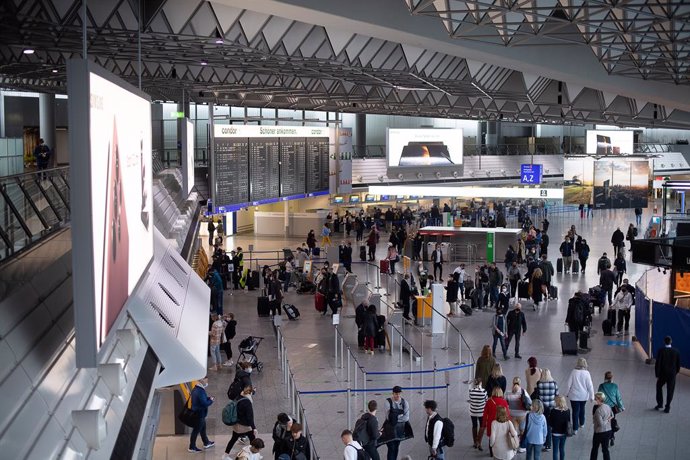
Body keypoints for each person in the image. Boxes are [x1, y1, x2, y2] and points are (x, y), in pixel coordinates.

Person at [222, 385, 257, 457]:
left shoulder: (238, 397)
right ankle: (253, 454)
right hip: (245, 425)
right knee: (252, 438)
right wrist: (254, 428)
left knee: (233, 439)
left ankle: (225, 454)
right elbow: (250, 417)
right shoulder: (247, 402)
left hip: (236, 424)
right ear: (250, 393)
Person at [564, 357, 595, 433]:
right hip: (583, 396)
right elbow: (590, 386)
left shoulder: (573, 372)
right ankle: (582, 423)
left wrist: (566, 393)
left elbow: (568, 384)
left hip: (574, 396)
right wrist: (592, 396)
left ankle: (575, 429)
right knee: (582, 409)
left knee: (575, 411)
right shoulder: (587, 373)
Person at [655, 335, 681, 413]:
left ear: (664, 342)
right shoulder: (676, 351)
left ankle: (660, 404)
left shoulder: (661, 351)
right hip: (672, 375)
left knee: (659, 387)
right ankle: (668, 406)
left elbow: (658, 364)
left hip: (663, 374)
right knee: (670, 390)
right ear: (671, 341)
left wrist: (657, 374)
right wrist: (675, 373)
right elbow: (678, 365)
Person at [597, 371, 624, 446]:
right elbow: (618, 397)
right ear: (612, 378)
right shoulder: (615, 386)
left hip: (603, 407)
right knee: (612, 421)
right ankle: (612, 437)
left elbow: (599, 396)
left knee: (604, 422)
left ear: (605, 377)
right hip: (612, 408)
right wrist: (621, 406)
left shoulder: (601, 386)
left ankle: (604, 437)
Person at [482, 387, 511, 458]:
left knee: (491, 437)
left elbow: (485, 414)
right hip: (501, 421)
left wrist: (483, 424)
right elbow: (507, 413)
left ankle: (492, 453)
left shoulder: (489, 401)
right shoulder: (504, 401)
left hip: (491, 423)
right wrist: (509, 421)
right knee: (500, 436)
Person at [383, 386, 410, 460]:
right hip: (389, 430)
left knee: (396, 447)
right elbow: (389, 417)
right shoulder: (387, 402)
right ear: (393, 393)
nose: (398, 395)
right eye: (396, 394)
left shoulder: (405, 403)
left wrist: (395, 417)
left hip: (399, 430)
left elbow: (406, 418)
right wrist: (400, 415)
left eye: (399, 394)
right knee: (391, 448)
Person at [189, 377, 215, 453]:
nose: (207, 381)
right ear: (201, 380)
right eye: (206, 380)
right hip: (199, 414)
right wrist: (211, 400)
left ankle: (206, 442)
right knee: (196, 431)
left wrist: (208, 398)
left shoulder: (197, 389)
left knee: (203, 429)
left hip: (200, 414)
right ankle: (192, 447)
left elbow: (201, 399)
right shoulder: (200, 391)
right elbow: (204, 403)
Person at [505, 376, 530, 451]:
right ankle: (522, 447)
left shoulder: (508, 392)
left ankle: (514, 446)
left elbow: (506, 403)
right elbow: (530, 402)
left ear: (513, 383)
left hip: (512, 414)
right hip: (522, 414)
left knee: (514, 431)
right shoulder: (523, 391)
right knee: (522, 430)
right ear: (520, 383)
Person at [590, 393, 613, 460]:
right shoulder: (608, 406)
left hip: (599, 432)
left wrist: (607, 420)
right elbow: (612, 415)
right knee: (605, 449)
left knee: (595, 448)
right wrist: (609, 419)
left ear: (599, 400)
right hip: (608, 430)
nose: (594, 400)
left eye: (595, 399)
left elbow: (601, 424)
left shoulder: (598, 411)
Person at [549, 396, 570, 460]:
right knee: (562, 448)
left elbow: (550, 422)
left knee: (555, 450)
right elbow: (569, 421)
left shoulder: (553, 411)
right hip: (564, 433)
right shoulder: (567, 410)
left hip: (555, 433)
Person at [469, 379, 488, 451]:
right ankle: (479, 442)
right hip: (481, 412)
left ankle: (475, 442)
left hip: (473, 411)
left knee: (474, 425)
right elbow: (486, 401)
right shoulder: (484, 391)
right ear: (481, 383)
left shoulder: (471, 391)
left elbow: (471, 399)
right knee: (482, 426)